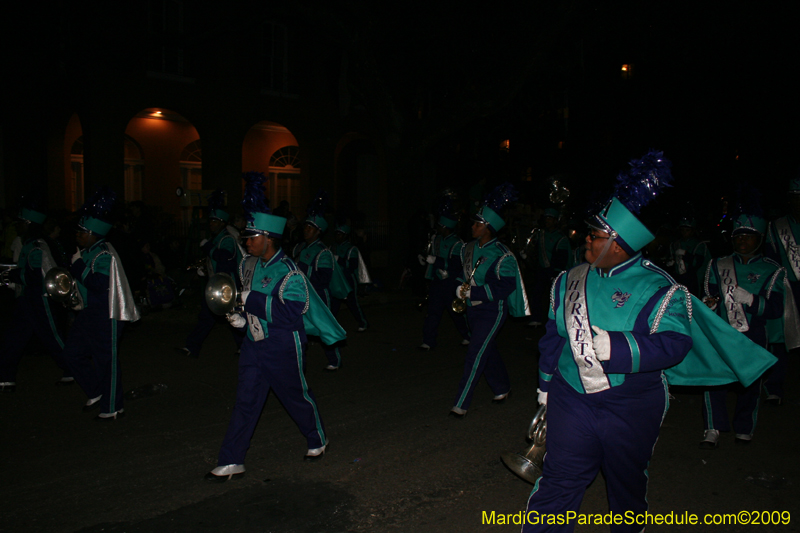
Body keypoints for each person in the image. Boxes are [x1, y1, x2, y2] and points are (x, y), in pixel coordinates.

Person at [523, 151, 776, 532]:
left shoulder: (660, 288)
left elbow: (675, 343)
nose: (586, 241)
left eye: (595, 236)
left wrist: (617, 347)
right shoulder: (569, 278)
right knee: (559, 482)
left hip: (631, 405)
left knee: (625, 490)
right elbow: (554, 335)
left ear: (619, 245)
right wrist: (545, 386)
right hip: (571, 396)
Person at [205, 172, 345, 482]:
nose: (247, 241)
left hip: (284, 345)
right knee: (245, 400)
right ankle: (232, 460)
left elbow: (291, 314)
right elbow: (245, 302)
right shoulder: (246, 265)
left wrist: (251, 300)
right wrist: (240, 318)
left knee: (295, 396)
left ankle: (317, 438)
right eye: (246, 236)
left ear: (269, 237)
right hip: (254, 345)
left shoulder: (290, 272)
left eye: (252, 237)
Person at [700, 210, 788, 447]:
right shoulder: (718, 264)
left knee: (751, 382)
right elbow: (709, 295)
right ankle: (713, 426)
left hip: (754, 334)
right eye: (738, 236)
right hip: (721, 332)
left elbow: (776, 309)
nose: (742, 240)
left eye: (748, 236)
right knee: (714, 377)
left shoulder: (773, 270)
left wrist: (751, 299)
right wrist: (710, 303)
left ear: (759, 239)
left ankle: (744, 426)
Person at [449, 183, 528, 418]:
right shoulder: (468, 248)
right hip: (472, 309)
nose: (472, 227)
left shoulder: (503, 255)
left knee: (475, 352)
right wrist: (458, 287)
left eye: (477, 224)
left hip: (493, 310)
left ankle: (461, 403)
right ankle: (502, 387)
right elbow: (460, 273)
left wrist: (475, 293)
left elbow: (506, 286)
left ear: (488, 228)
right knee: (486, 348)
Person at [62, 189, 140, 419]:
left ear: (94, 234)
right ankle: (96, 392)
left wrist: (77, 267)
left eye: (82, 231)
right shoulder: (88, 252)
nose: (78, 234)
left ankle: (113, 406)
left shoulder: (103, 254)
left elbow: (101, 284)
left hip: (107, 314)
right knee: (71, 354)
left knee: (107, 361)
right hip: (89, 313)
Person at [0, 202, 70, 392]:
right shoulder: (30, 244)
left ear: (29, 223)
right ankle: (6, 377)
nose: (17, 225)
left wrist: (13, 275)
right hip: (26, 299)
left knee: (53, 337)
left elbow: (36, 276)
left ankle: (74, 369)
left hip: (39, 299)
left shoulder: (37, 246)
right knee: (14, 338)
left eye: (21, 222)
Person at [179, 189, 244, 358]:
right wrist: (205, 271)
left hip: (228, 286)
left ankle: (244, 346)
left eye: (216, 222)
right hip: (217, 285)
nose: (212, 224)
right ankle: (192, 346)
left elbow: (224, 258)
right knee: (207, 317)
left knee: (233, 317)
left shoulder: (227, 239)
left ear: (223, 223)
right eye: (211, 221)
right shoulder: (217, 239)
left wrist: (207, 247)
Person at [292, 191, 348, 371]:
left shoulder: (323, 252)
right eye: (305, 226)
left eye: (310, 228)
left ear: (318, 231)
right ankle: (298, 359)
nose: (306, 230)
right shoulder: (299, 247)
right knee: (297, 326)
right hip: (300, 294)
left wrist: (303, 280)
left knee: (323, 327)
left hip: (318, 296)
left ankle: (334, 359)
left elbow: (323, 279)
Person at [763, 177, 800, 405]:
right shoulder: (777, 226)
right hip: (787, 288)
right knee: (779, 337)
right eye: (794, 197)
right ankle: (774, 386)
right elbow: (770, 258)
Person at [418, 197, 470, 351]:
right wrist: (424, 261)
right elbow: (432, 256)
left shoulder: (457, 243)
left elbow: (456, 264)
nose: (437, 228)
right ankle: (428, 341)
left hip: (451, 283)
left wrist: (438, 262)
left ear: (446, 227)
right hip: (437, 282)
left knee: (456, 313)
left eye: (440, 226)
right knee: (432, 312)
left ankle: (468, 335)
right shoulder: (436, 239)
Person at [522, 208, 570, 327]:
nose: (548, 221)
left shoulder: (561, 238)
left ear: (555, 221)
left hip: (553, 270)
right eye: (546, 218)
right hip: (541, 269)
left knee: (554, 297)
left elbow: (562, 257)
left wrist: (556, 273)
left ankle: (556, 322)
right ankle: (536, 318)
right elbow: (534, 249)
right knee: (536, 293)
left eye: (550, 218)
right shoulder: (540, 234)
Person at [331, 223, 370, 332]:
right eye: (336, 234)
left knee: (352, 303)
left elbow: (352, 265)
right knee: (334, 304)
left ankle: (363, 322)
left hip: (348, 280)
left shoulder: (351, 249)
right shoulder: (332, 247)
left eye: (340, 234)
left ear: (345, 235)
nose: (337, 236)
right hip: (336, 280)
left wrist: (339, 259)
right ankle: (329, 325)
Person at [666, 216, 710, 296]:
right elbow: (671, 258)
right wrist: (671, 262)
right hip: (677, 279)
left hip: (693, 280)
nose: (684, 232)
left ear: (693, 231)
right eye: (682, 230)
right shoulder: (675, 244)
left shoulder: (699, 244)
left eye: (687, 230)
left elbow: (698, 262)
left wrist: (686, 254)